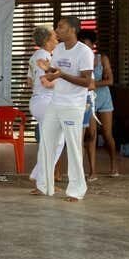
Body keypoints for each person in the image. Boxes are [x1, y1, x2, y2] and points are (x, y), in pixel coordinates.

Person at [31, 15, 94, 202]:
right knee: (46, 143)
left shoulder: (84, 52)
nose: (57, 30)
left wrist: (61, 75)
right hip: (55, 102)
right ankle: (44, 185)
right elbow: (56, 74)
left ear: (73, 30)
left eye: (61, 27)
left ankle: (76, 190)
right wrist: (47, 70)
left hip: (73, 105)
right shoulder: (58, 49)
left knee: (73, 147)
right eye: (57, 27)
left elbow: (86, 81)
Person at [79, 30, 118, 180]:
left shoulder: (102, 59)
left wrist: (93, 83)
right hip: (88, 100)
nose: (85, 49)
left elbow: (110, 81)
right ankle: (92, 171)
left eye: (87, 46)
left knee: (107, 134)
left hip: (104, 99)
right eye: (82, 45)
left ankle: (114, 164)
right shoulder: (80, 61)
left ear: (93, 46)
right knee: (91, 135)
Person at [27, 26, 63, 188]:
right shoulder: (45, 56)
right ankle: (42, 178)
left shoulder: (35, 55)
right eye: (55, 37)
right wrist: (64, 82)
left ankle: (39, 176)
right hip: (46, 101)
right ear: (47, 40)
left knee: (52, 141)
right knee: (56, 141)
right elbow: (46, 82)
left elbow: (30, 82)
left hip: (38, 101)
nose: (57, 39)